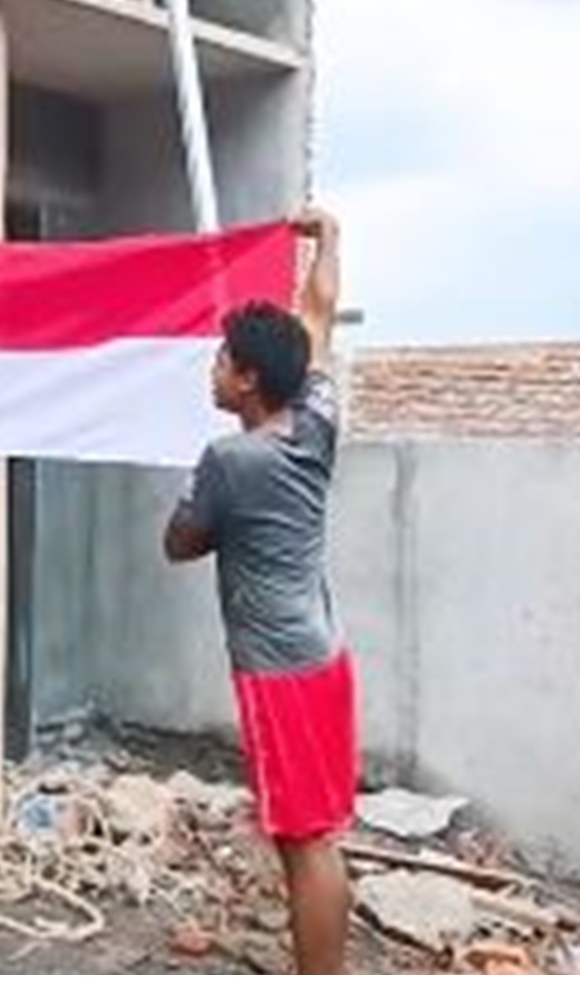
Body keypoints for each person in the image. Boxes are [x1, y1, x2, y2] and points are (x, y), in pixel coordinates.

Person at [163, 206, 355, 974]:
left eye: (219, 362)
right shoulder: (316, 422)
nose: (211, 370)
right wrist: (330, 239)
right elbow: (320, 313)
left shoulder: (231, 461)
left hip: (279, 675)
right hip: (322, 655)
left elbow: (178, 545)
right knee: (316, 835)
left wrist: (207, 519)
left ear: (246, 380)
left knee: (304, 842)